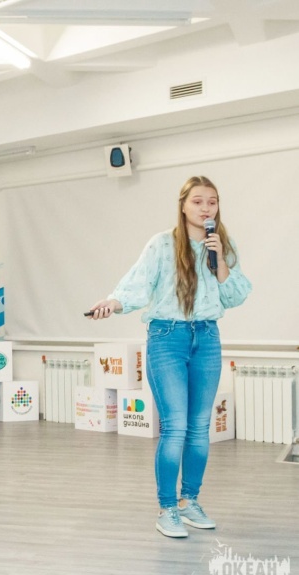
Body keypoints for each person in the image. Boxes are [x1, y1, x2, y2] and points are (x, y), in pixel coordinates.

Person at [87, 175, 251, 538]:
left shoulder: (221, 244)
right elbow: (137, 284)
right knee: (175, 426)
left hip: (207, 337)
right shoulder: (162, 244)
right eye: (198, 201)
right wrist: (112, 303)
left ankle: (189, 501)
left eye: (212, 202)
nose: (205, 208)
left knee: (200, 427)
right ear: (183, 205)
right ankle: (167, 508)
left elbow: (235, 294)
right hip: (167, 337)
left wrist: (220, 260)